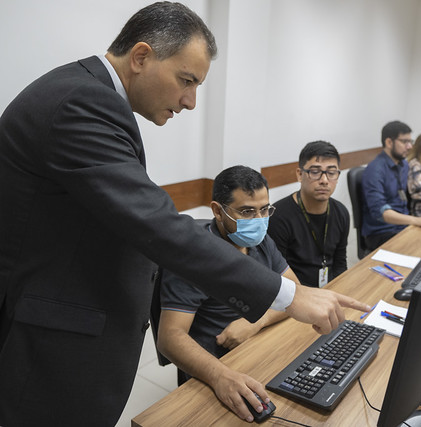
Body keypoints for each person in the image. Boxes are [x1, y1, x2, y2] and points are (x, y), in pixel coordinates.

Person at [0, 3, 368, 425]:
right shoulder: (81, 103)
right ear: (141, 57)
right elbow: (155, 223)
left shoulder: (93, 96)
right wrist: (290, 295)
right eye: (186, 80)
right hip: (50, 342)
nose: (190, 102)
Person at [158, 166, 297, 422]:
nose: (258, 219)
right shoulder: (193, 254)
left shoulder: (259, 240)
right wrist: (220, 376)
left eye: (264, 209)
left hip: (257, 342)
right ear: (217, 210)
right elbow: (169, 337)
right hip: (216, 361)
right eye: (246, 211)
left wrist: (255, 323)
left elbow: (292, 294)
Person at [269, 141, 349, 288]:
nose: (324, 180)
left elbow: (340, 264)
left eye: (331, 173)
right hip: (295, 294)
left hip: (330, 291)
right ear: (300, 175)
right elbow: (277, 275)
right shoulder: (278, 216)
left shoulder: (341, 212)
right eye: (315, 172)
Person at [361, 121, 421, 250]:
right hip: (382, 232)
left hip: (402, 225)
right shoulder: (375, 170)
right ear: (389, 142)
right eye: (405, 142)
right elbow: (381, 213)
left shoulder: (403, 165)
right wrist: (416, 220)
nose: (410, 146)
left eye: (411, 141)